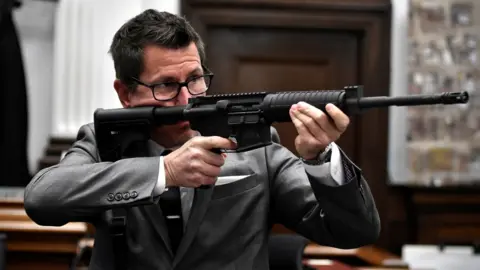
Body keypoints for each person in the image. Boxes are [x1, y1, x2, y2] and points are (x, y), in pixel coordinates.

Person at [24, 9, 380, 270]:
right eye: (166, 85)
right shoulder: (105, 143)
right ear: (125, 93)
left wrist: (319, 159)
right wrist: (164, 171)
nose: (187, 99)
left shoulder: (256, 147)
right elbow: (43, 198)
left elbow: (354, 231)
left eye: (195, 79)